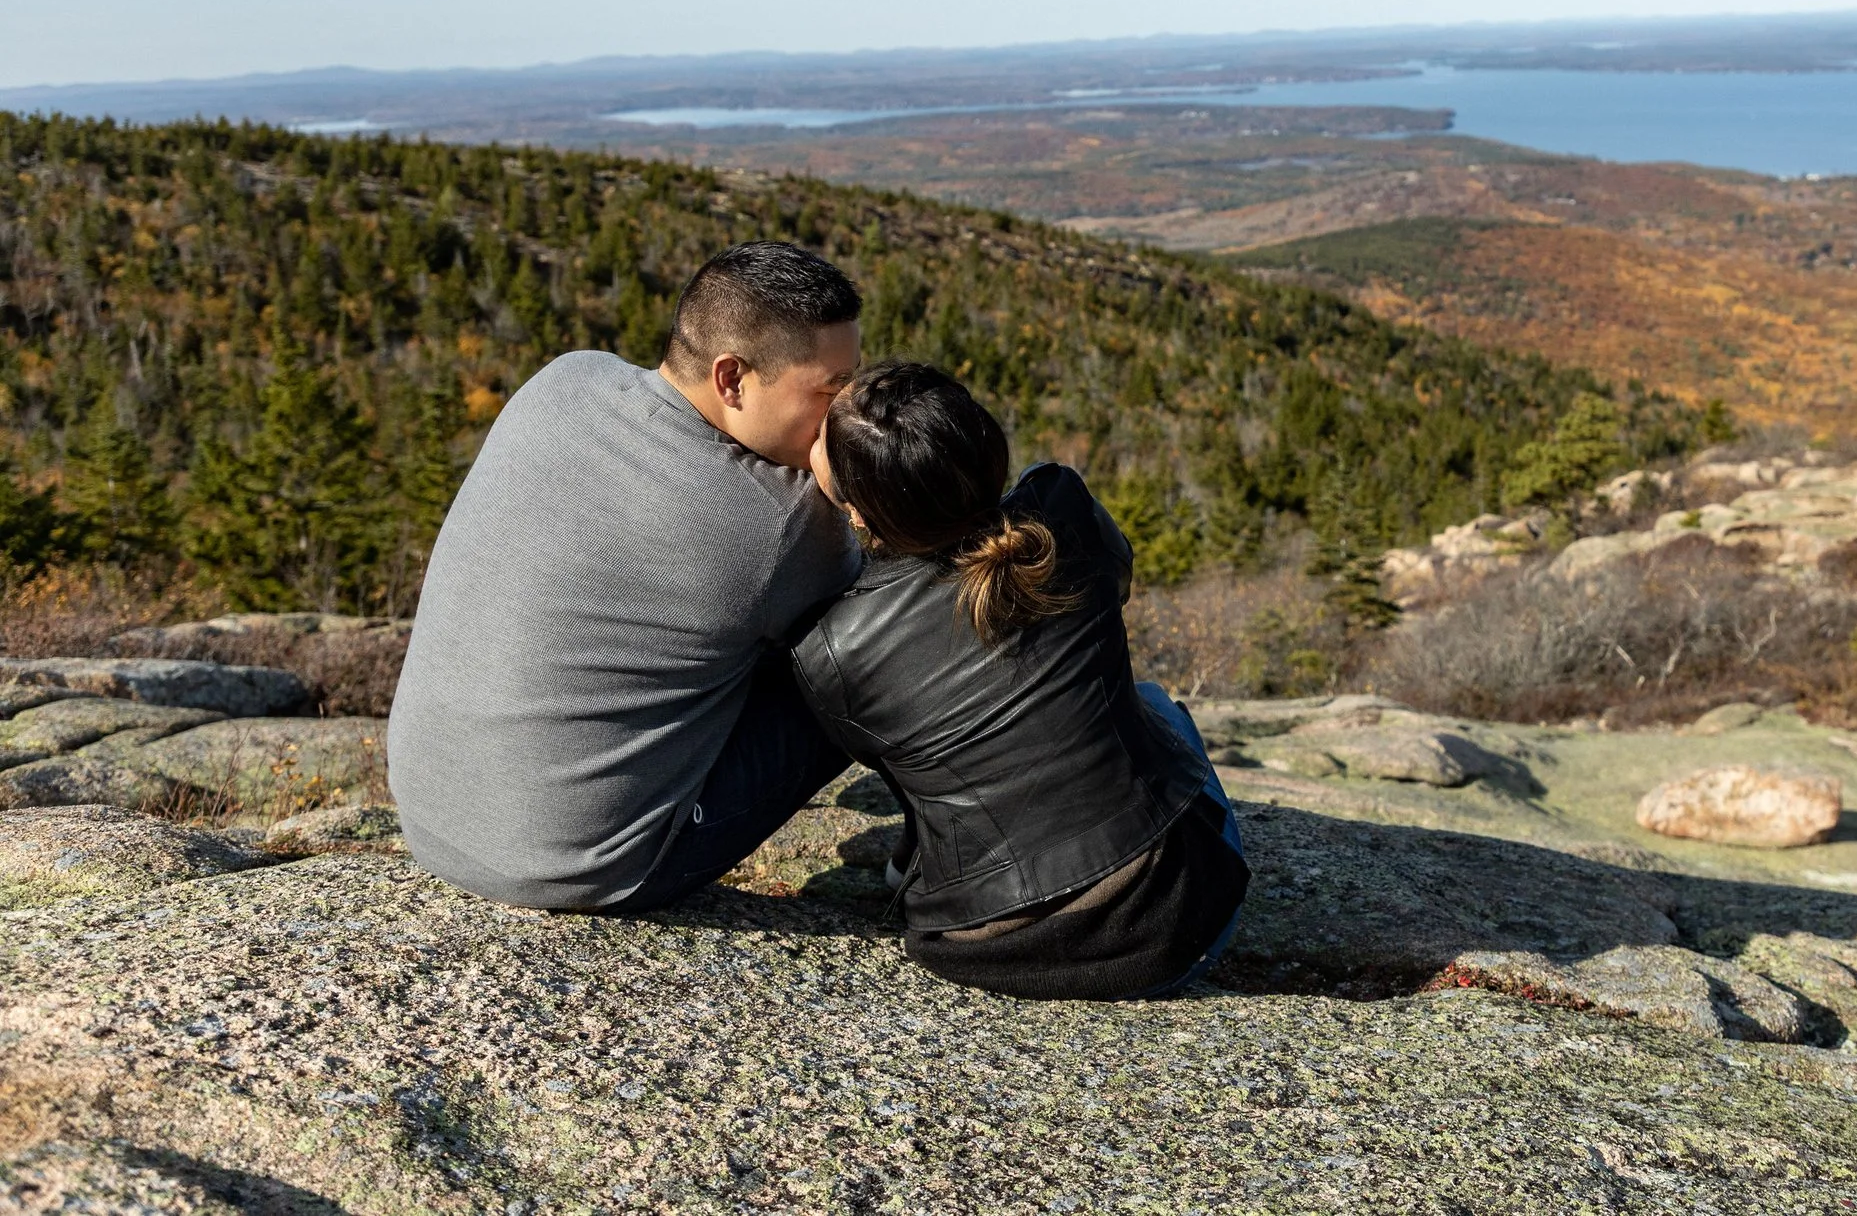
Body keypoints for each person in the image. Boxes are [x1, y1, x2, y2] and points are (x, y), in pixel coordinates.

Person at [390, 241, 865, 912]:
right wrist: (845, 497)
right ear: (732, 379)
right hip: (592, 863)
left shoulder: (566, 378)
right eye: (829, 390)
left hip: (434, 817)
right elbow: (881, 619)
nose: (848, 415)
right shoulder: (783, 521)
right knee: (880, 645)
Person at [792, 360, 1248, 1000]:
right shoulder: (1063, 510)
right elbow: (1115, 584)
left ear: (861, 514)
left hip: (992, 951)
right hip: (1182, 926)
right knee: (1152, 707)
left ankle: (908, 865)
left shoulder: (833, 652)